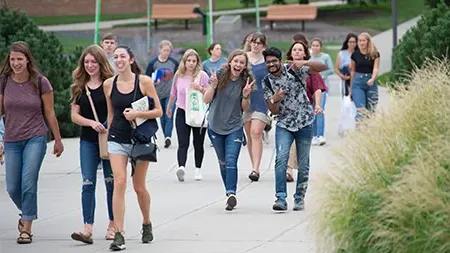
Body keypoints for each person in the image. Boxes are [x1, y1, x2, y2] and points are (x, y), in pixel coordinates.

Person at [0, 41, 64, 244]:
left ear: (28, 59)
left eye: (20, 59)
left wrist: (58, 140)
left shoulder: (40, 82)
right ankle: (27, 212)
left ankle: (26, 228)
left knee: (28, 182)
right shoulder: (3, 81)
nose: (16, 63)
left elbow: (50, 112)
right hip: (11, 139)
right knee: (12, 187)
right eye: (12, 59)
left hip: (35, 137)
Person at [104, 45, 162, 251]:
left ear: (131, 59)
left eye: (122, 56)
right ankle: (119, 234)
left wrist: (137, 115)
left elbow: (158, 111)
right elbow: (111, 115)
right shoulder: (109, 84)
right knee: (119, 182)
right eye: (115, 57)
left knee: (138, 186)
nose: (118, 60)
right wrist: (106, 139)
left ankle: (146, 222)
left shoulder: (144, 82)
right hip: (117, 138)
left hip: (140, 139)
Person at [262, 47, 326, 211]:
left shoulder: (295, 70)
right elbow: (273, 110)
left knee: (303, 163)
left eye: (274, 61)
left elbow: (322, 66)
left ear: (280, 61)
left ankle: (299, 198)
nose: (271, 64)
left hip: (305, 121)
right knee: (281, 159)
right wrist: (275, 99)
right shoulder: (267, 82)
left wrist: (302, 62)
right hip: (284, 124)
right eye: (268, 62)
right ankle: (280, 198)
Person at [69, 45, 116, 244]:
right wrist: (91, 123)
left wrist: (107, 125)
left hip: (109, 140)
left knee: (111, 183)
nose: (90, 65)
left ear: (100, 63)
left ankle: (113, 225)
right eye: (86, 62)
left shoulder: (110, 83)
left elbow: (118, 108)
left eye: (93, 62)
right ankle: (87, 228)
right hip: (88, 140)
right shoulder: (80, 87)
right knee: (88, 183)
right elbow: (74, 116)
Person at [204, 49, 254, 211]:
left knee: (231, 160)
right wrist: (212, 86)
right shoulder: (219, 75)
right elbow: (206, 99)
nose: (238, 65)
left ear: (245, 66)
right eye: (236, 61)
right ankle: (229, 192)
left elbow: (244, 108)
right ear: (230, 62)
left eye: (242, 62)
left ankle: (231, 193)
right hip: (215, 126)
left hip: (234, 127)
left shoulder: (245, 81)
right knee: (223, 162)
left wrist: (246, 95)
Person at [167, 49, 209, 182]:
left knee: (198, 142)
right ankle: (181, 167)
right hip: (182, 111)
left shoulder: (202, 75)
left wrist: (199, 88)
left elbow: (210, 93)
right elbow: (173, 92)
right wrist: (169, 107)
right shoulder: (179, 75)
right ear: (184, 62)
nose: (191, 63)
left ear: (197, 62)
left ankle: (198, 169)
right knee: (182, 142)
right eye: (188, 61)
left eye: (194, 61)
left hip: (198, 112)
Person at [245, 32, 271, 182]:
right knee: (249, 135)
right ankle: (253, 164)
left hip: (261, 100)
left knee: (256, 133)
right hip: (245, 100)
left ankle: (256, 169)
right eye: (254, 42)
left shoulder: (266, 60)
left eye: (259, 43)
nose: (256, 45)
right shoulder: (243, 57)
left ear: (263, 46)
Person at [145, 40, 179, 148]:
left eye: (169, 50)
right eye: (165, 50)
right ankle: (165, 136)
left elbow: (179, 76)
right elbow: (147, 78)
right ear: (160, 50)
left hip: (171, 94)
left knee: (169, 115)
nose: (167, 52)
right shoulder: (153, 63)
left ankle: (168, 136)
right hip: (157, 93)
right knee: (162, 116)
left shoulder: (174, 63)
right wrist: (153, 82)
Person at [350, 32, 380, 121]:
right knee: (361, 111)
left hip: (371, 83)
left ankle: (368, 133)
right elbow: (353, 71)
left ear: (368, 42)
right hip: (358, 84)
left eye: (364, 40)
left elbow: (376, 69)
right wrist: (351, 89)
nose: (361, 43)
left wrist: (373, 78)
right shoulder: (354, 55)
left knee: (371, 112)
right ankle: (360, 133)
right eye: (360, 41)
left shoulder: (375, 54)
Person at [310, 38, 334, 146]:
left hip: (322, 87)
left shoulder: (325, 57)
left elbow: (331, 70)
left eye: (317, 45)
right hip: (310, 88)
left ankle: (320, 135)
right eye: (313, 45)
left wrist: (320, 75)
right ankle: (314, 135)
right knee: (311, 111)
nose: (315, 47)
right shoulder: (308, 57)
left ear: (320, 47)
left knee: (319, 110)